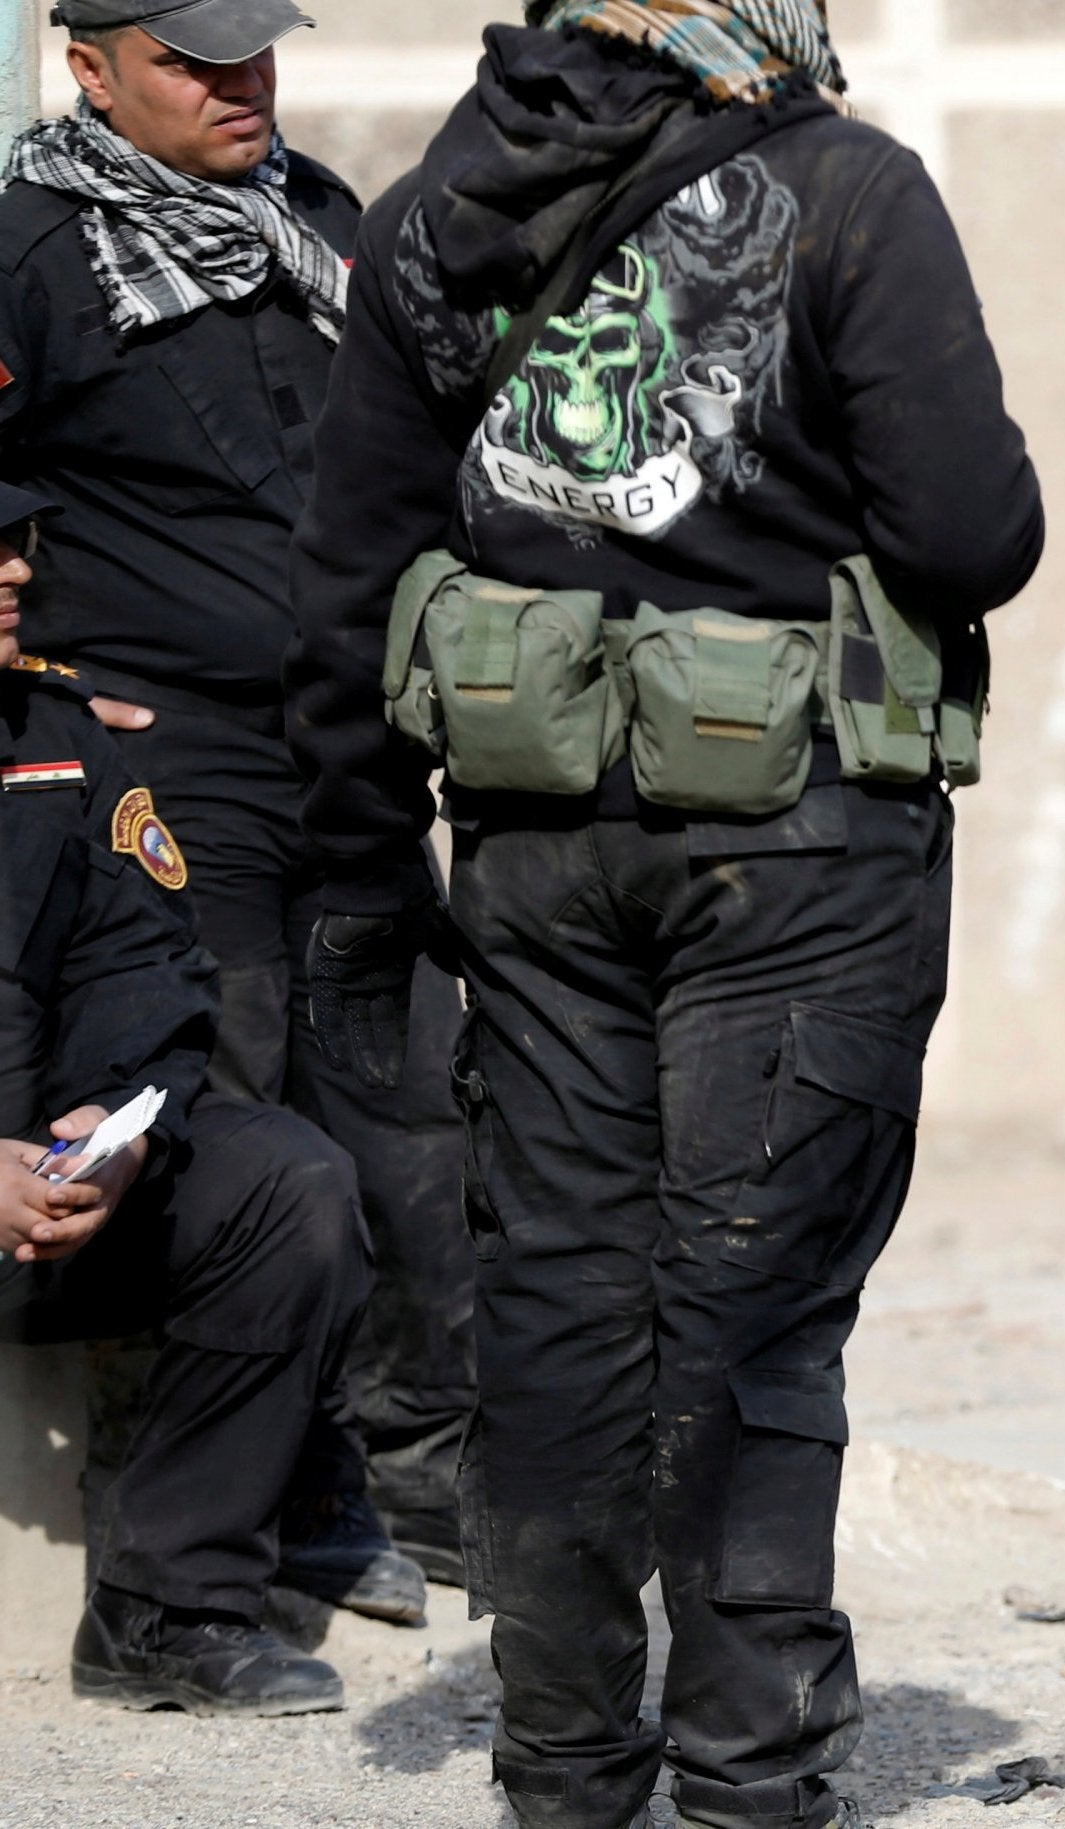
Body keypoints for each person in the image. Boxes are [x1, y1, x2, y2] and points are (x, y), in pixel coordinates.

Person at [283, 4, 1043, 1825]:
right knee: (752, 1303)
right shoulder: (849, 190)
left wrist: (367, 868)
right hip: (794, 844)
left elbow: (346, 569)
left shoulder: (422, 214)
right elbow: (967, 530)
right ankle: (752, 1776)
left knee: (553, 1298)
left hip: (531, 846)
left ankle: (560, 1763)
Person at [0, 0, 475, 1586]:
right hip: (165, 755)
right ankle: (277, 1497)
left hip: (344, 744)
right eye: (192, 59)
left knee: (408, 1094)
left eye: (253, 49)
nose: (239, 81)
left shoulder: (316, 223)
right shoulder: (32, 246)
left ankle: (415, 1463)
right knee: (237, 1095)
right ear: (91, 69)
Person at [0, 488, 392, 1713]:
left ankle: (167, 1606)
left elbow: (145, 959)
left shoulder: (53, 738)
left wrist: (118, 1130)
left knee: (287, 1184)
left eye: (15, 542)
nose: (15, 569)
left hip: (49, 1200)